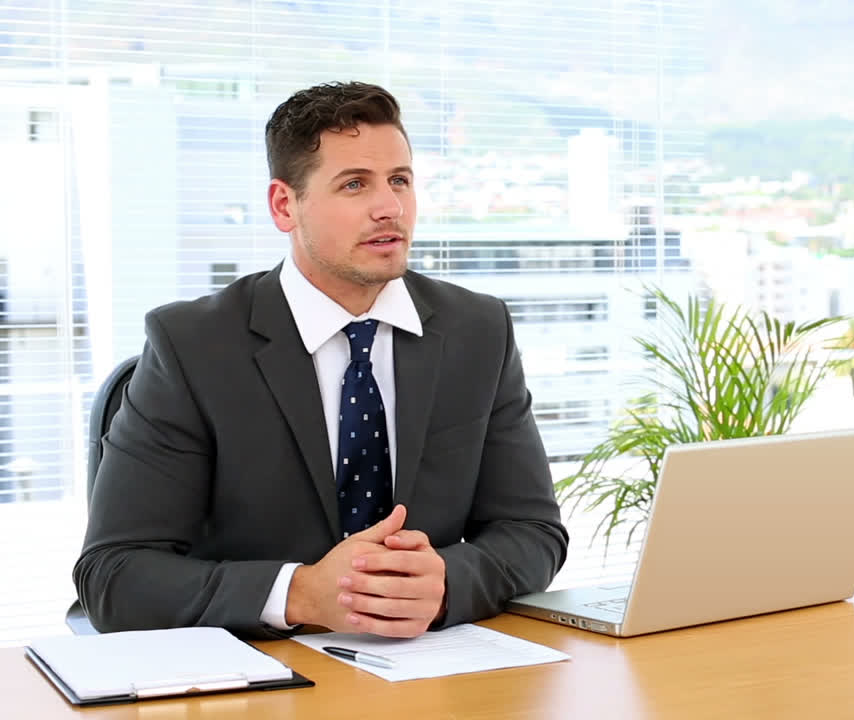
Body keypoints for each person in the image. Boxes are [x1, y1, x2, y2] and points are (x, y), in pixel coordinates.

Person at [73, 81, 569, 640]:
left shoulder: (478, 329)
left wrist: (447, 582)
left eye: (400, 181)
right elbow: (113, 576)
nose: (390, 207)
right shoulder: (191, 344)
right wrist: (302, 592)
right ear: (285, 205)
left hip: (430, 667)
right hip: (262, 672)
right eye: (355, 184)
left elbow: (532, 531)